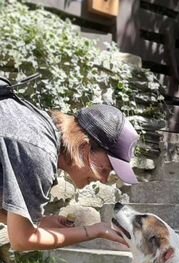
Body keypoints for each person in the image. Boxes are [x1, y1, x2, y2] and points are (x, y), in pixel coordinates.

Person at [0, 76, 139, 252]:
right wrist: (94, 231)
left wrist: (40, 222)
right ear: (85, 146)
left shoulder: (40, 131)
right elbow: (22, 240)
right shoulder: (39, 152)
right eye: (107, 168)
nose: (104, 180)